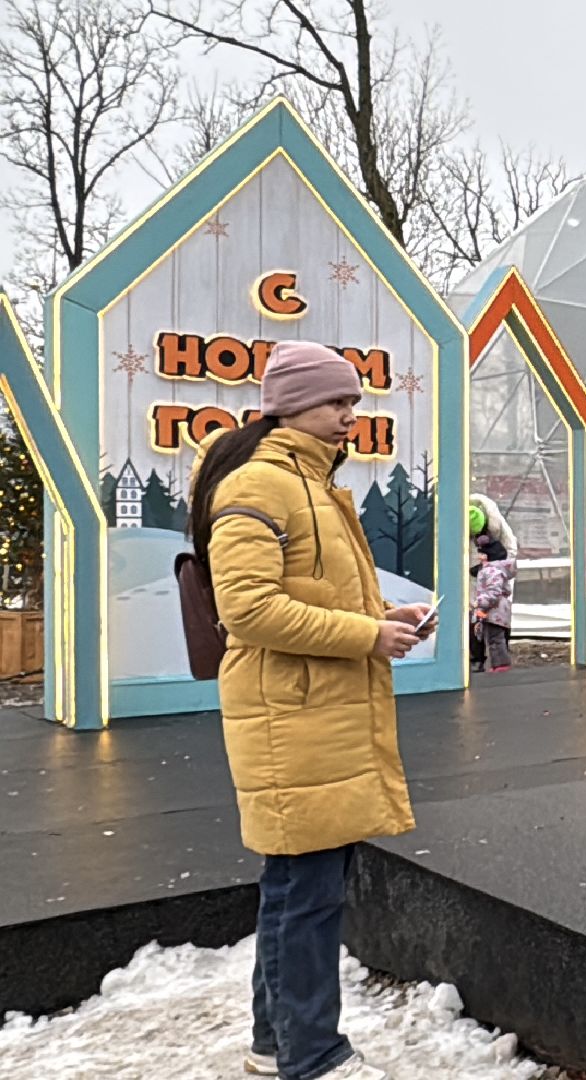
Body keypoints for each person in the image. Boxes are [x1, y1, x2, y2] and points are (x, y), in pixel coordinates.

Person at [189, 340, 434, 1080]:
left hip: (311, 715)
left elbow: (310, 593)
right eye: (338, 403)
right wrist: (369, 635)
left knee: (296, 889)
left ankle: (276, 1042)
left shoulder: (311, 484)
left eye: (356, 403)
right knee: (309, 897)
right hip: (291, 719)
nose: (350, 418)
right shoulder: (262, 487)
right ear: (291, 406)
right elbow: (251, 610)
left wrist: (387, 614)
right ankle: (314, 1055)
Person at [472, 534, 515, 672]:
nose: (479, 556)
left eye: (481, 554)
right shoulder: (491, 569)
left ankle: (501, 665)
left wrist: (480, 603)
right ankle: (498, 664)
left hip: (494, 610)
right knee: (493, 638)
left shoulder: (491, 571)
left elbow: (493, 592)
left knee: (495, 638)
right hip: (495, 610)